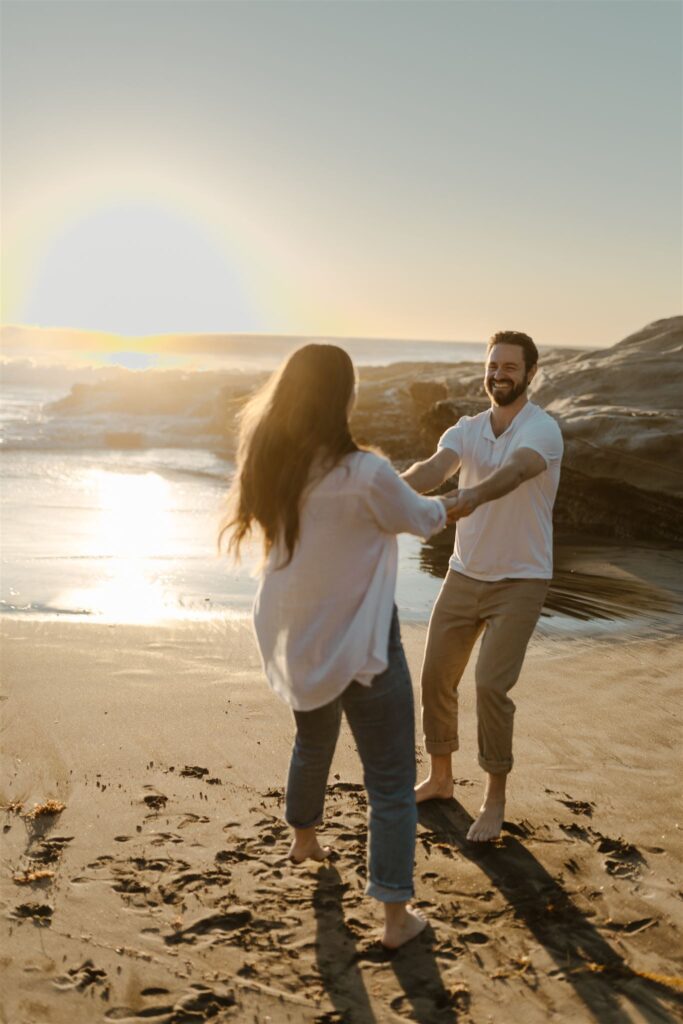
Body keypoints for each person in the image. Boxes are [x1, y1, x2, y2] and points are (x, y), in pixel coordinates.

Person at [221, 343, 459, 948]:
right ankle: (396, 919)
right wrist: (465, 494)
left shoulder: (271, 466)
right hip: (362, 640)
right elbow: (425, 518)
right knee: (389, 779)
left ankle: (303, 839)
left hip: (296, 630)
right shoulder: (366, 473)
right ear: (343, 397)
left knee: (313, 738)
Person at [402, 330, 563, 842]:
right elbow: (432, 471)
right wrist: (379, 487)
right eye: (493, 365)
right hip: (464, 572)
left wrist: (465, 499)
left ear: (530, 374)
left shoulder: (543, 430)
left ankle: (494, 800)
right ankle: (442, 778)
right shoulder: (467, 429)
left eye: (510, 367)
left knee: (491, 685)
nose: (499, 375)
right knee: (434, 678)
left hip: (521, 579)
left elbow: (515, 473)